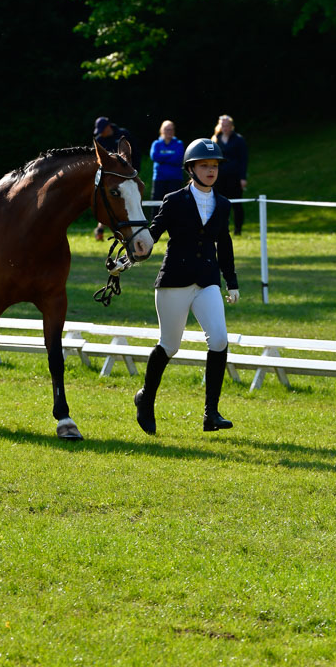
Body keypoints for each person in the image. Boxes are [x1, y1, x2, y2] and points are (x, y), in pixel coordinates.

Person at [134, 137, 240, 435]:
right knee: (170, 345)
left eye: (215, 166)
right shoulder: (174, 199)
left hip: (207, 280)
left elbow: (225, 244)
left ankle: (211, 413)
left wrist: (231, 282)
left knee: (219, 339)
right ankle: (146, 398)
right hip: (174, 281)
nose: (211, 170)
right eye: (205, 165)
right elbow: (154, 232)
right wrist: (136, 252)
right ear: (191, 169)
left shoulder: (223, 204)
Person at [93, 116, 140, 240]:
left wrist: (135, 172)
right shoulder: (99, 140)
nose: (101, 133)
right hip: (109, 178)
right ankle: (102, 228)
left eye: (103, 129)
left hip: (127, 174)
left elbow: (134, 152)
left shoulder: (123, 134)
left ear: (108, 127)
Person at [212, 114, 248, 235]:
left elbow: (243, 160)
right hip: (219, 178)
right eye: (223, 125)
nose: (225, 127)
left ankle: (238, 229)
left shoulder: (239, 140)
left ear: (231, 126)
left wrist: (243, 177)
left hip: (235, 177)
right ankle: (221, 228)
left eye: (227, 125)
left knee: (237, 204)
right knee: (219, 203)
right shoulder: (215, 139)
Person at [149, 120, 184, 218]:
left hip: (175, 179)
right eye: (167, 129)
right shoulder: (156, 143)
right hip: (159, 179)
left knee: (175, 203)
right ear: (162, 130)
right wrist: (170, 155)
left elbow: (178, 158)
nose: (169, 131)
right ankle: (154, 225)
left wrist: (163, 157)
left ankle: (175, 224)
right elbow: (155, 156)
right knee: (156, 203)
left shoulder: (179, 143)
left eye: (171, 129)